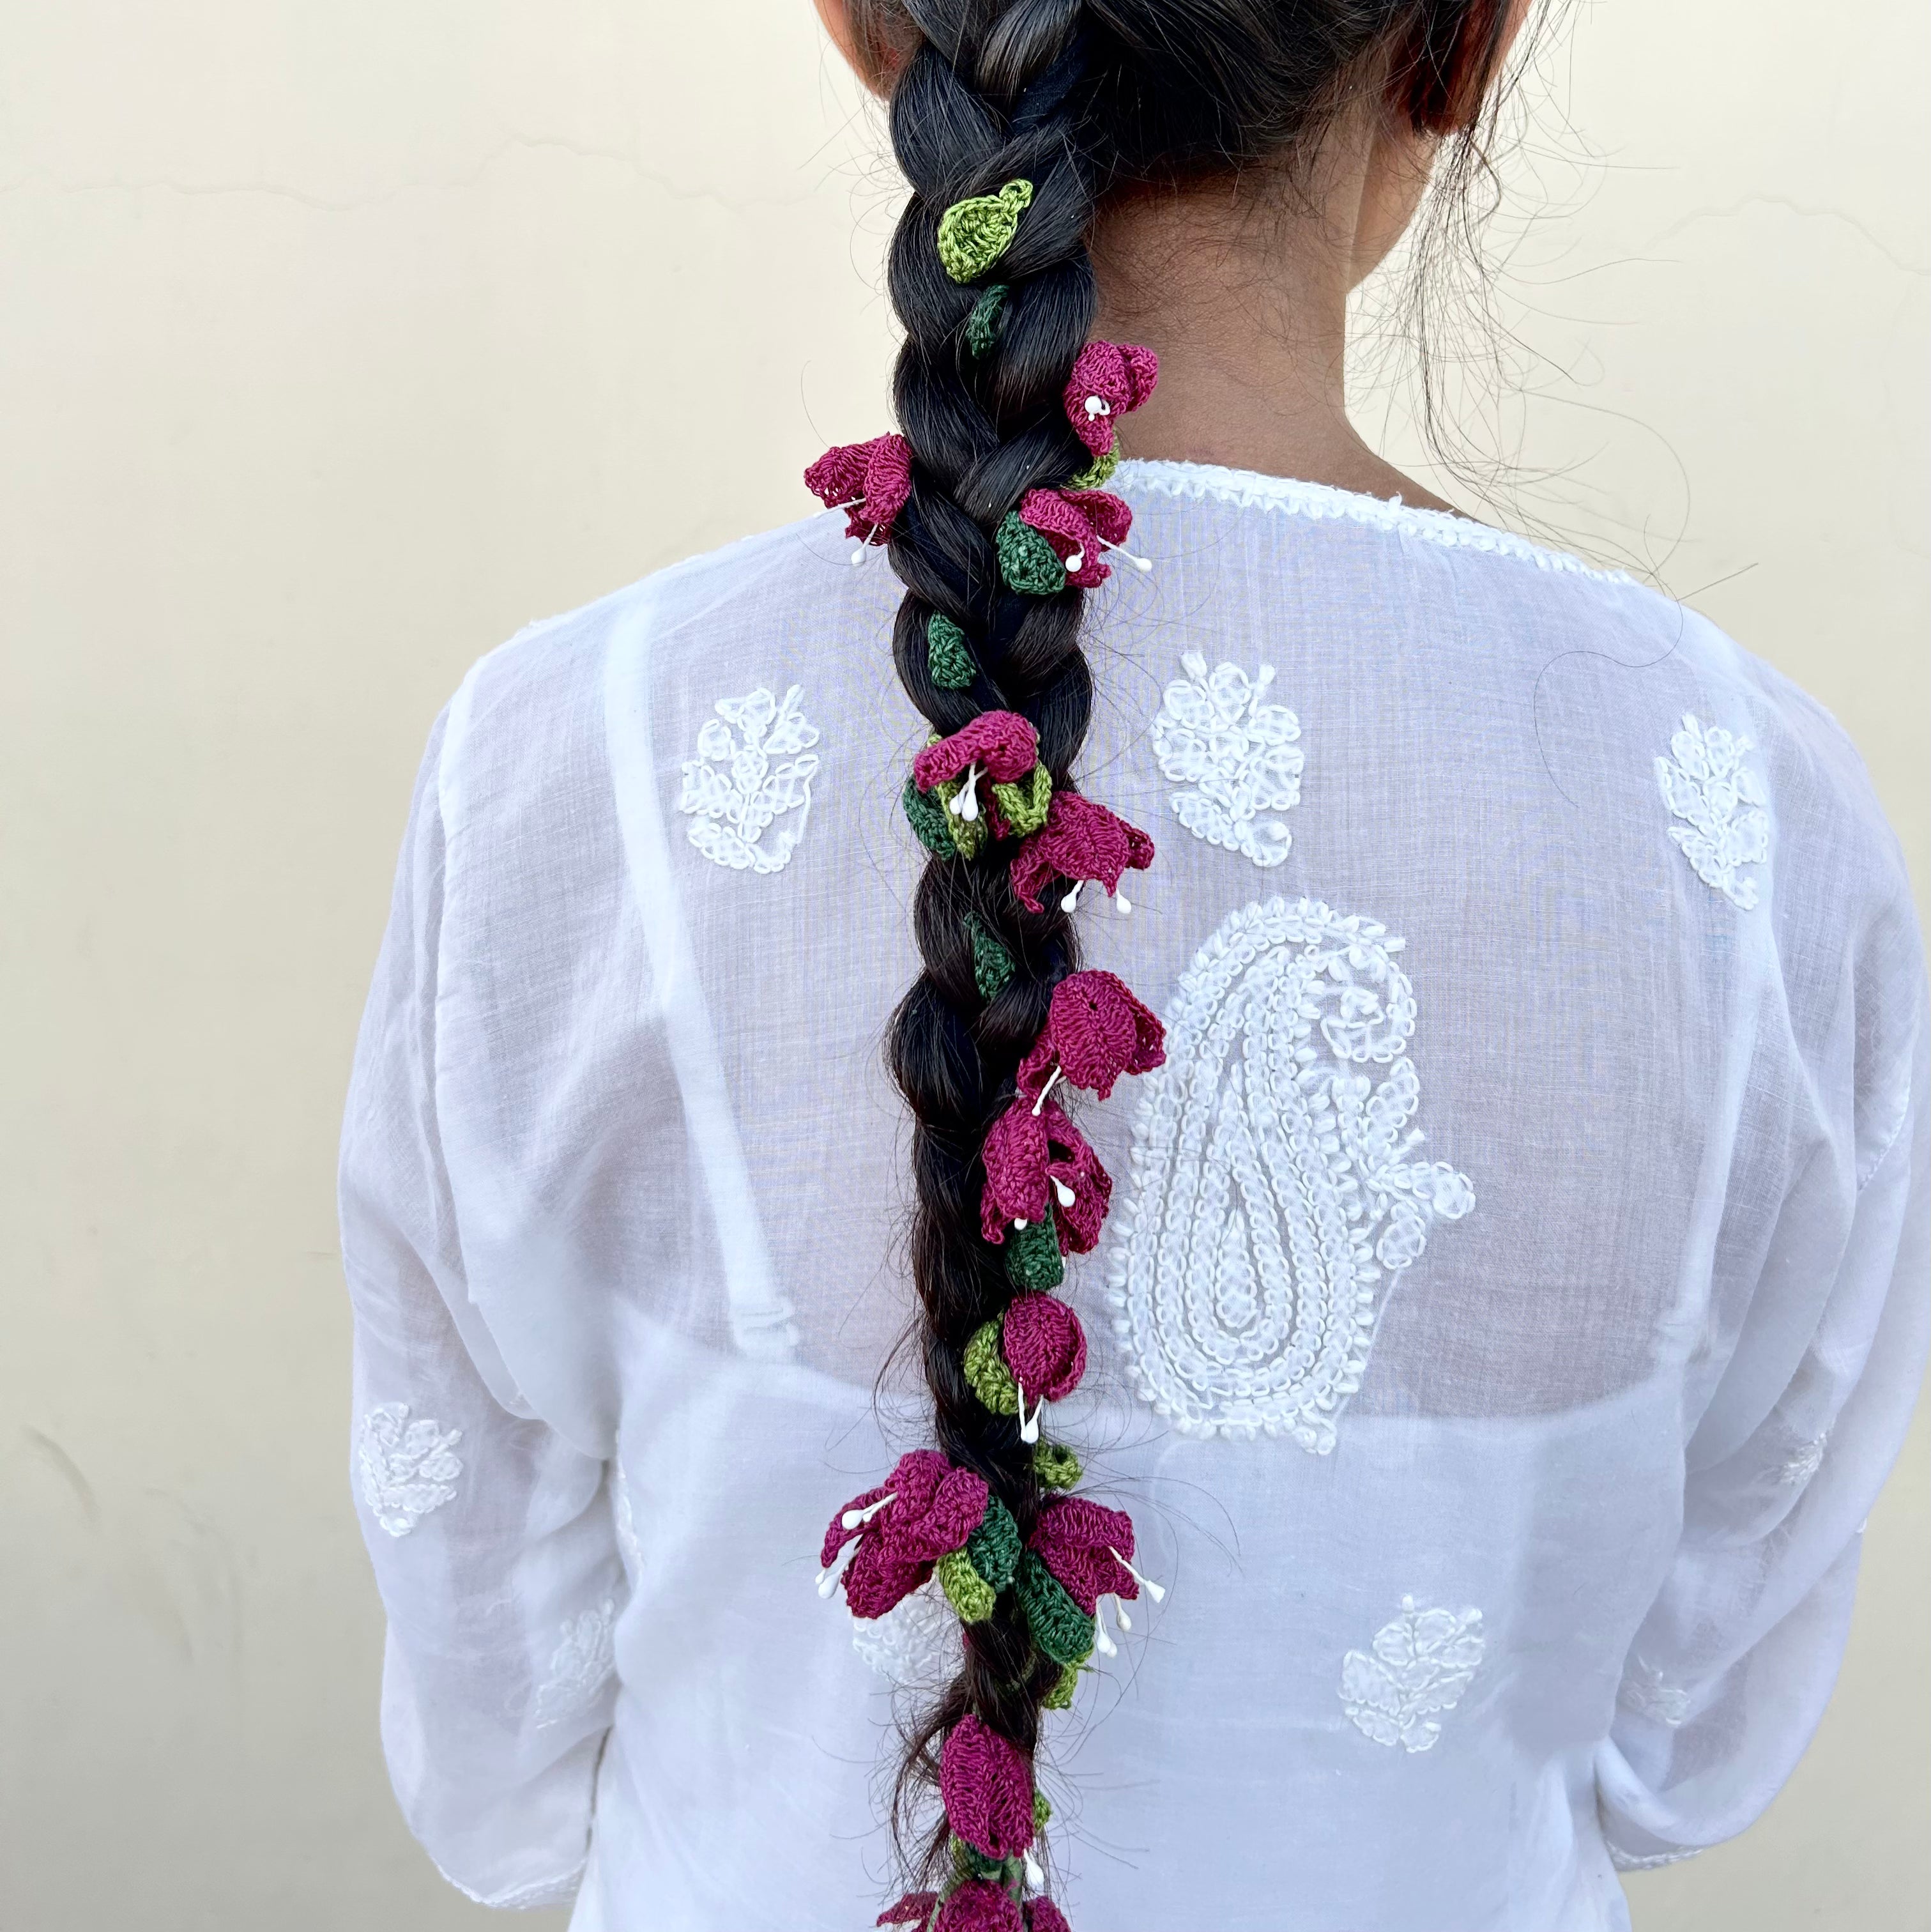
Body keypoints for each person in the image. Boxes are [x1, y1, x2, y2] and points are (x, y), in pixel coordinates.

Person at [337, 3, 1928, 1928]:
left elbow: (498, 1774)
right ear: (1466, 41)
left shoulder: (554, 774)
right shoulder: (1752, 837)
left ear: (876, 29)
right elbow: (1690, 1754)